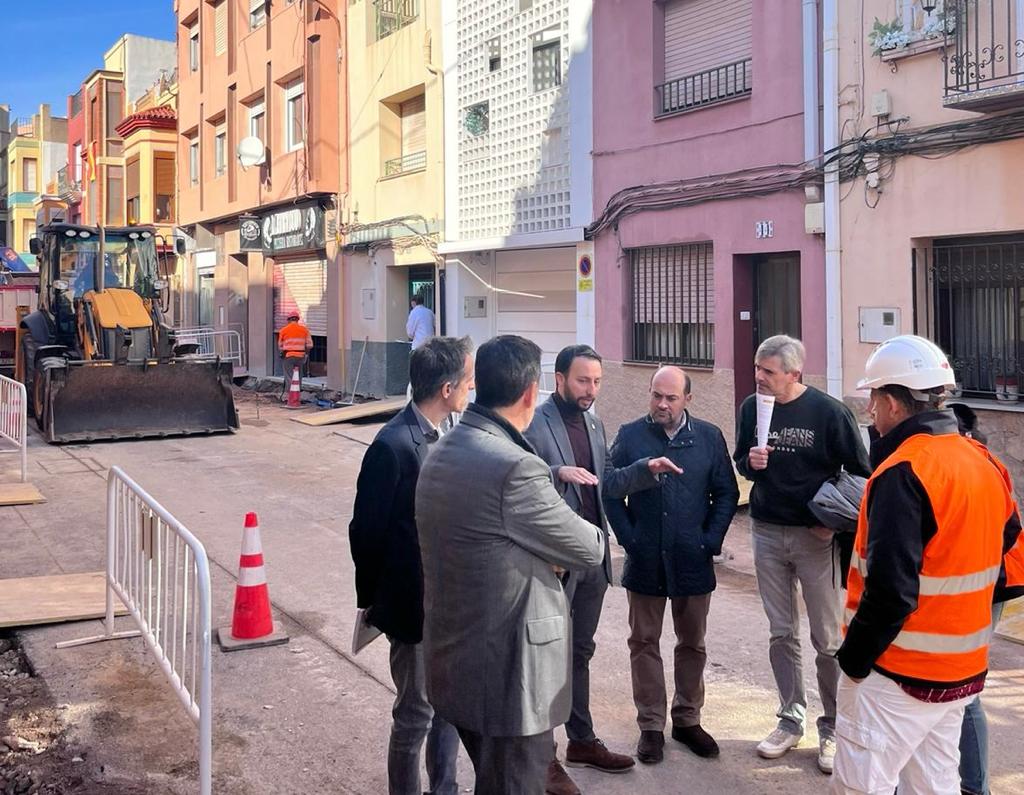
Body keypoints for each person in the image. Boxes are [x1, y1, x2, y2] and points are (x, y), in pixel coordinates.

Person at [832, 335, 1022, 794]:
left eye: (873, 399)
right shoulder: (983, 461)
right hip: (961, 673)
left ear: (893, 403)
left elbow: (890, 591)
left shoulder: (904, 471)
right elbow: (1009, 547)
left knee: (863, 786)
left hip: (897, 674)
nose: (871, 413)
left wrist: (853, 661)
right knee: (934, 787)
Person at [415, 335, 605, 795]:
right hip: (509, 681)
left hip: (457, 663)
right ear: (530, 392)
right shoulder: (516, 467)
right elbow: (590, 548)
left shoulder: (444, 446)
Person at [524, 345, 681, 794]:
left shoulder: (594, 421)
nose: (590, 390)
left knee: (580, 652)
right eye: (582, 381)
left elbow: (606, 481)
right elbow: (520, 479)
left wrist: (645, 469)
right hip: (554, 561)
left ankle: (581, 741)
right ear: (559, 379)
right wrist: (558, 472)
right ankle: (544, 758)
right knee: (547, 658)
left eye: (596, 381)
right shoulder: (535, 422)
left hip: (592, 555)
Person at [733, 334, 870, 774]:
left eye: (768, 371)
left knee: (828, 640)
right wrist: (748, 462)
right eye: (757, 368)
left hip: (816, 540)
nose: (759, 377)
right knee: (781, 633)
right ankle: (791, 720)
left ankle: (832, 728)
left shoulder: (830, 413)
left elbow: (862, 476)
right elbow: (739, 460)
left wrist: (831, 521)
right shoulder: (752, 408)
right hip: (767, 531)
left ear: (795, 374)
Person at [349, 335, 475, 795]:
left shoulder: (452, 431)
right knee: (415, 714)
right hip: (413, 609)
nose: (472, 386)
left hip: (450, 608)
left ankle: (445, 788)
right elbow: (365, 532)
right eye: (467, 379)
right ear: (446, 388)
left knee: (448, 709)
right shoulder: (393, 446)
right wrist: (377, 602)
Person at [604, 366, 739, 765]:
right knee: (643, 642)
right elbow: (610, 491)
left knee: (692, 642)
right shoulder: (630, 437)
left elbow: (726, 493)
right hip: (645, 559)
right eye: (656, 396)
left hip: (692, 559)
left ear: (688, 400)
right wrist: (629, 538)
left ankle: (686, 718)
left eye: (671, 398)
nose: (662, 404)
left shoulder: (709, 438)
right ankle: (650, 725)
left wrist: (710, 540)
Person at [950, 403, 1024, 795]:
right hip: (980, 583)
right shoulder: (978, 461)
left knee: (966, 690)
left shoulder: (982, 465)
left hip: (986, 585)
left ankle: (975, 788)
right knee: (963, 691)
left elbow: (1008, 527)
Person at [278, 311, 313, 394]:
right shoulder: (305, 330)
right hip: (300, 356)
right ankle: (297, 395)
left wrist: (283, 352)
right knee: (298, 376)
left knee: (289, 376)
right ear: (298, 320)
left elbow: (280, 346)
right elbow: (309, 345)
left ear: (289, 320)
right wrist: (306, 354)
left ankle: (290, 396)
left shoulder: (283, 330)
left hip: (288, 356)